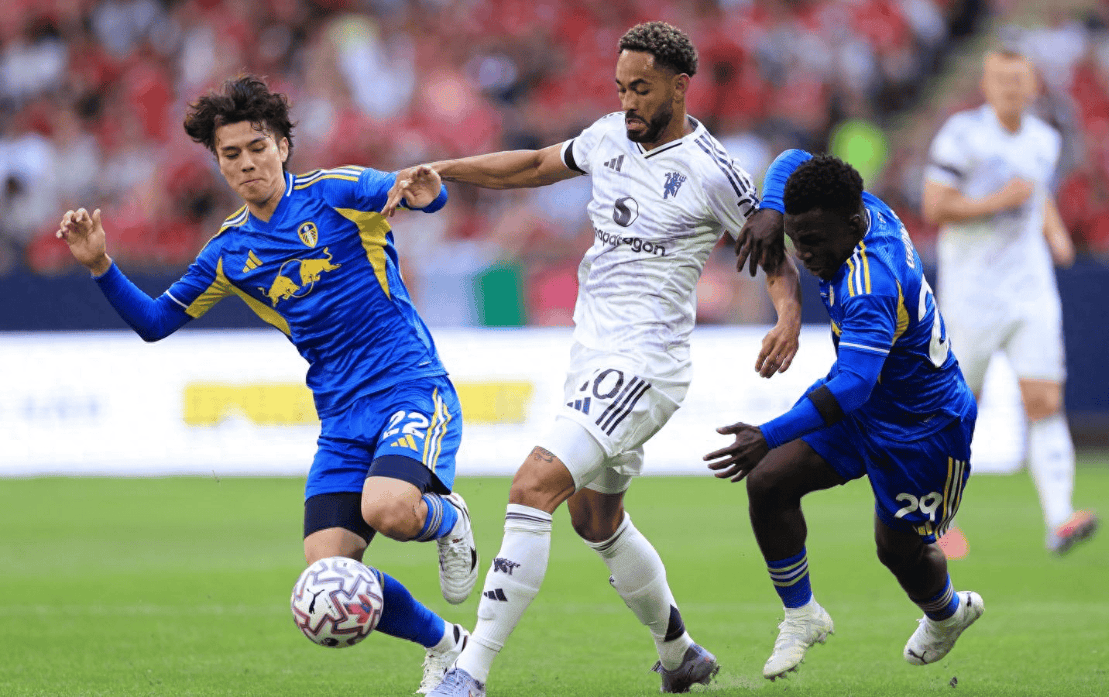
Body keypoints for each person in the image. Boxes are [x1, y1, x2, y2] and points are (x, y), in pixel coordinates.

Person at [412, 21, 802, 697]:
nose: (627, 102)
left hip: (645, 364)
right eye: (621, 87)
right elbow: (535, 165)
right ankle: (679, 653)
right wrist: (444, 170)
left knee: (532, 486)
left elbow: (771, 254)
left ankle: (468, 674)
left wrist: (788, 316)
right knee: (595, 519)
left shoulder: (711, 170)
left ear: (679, 87)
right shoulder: (606, 136)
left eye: (641, 89)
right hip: (591, 355)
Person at [56, 75, 478, 694]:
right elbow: (154, 323)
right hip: (341, 419)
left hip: (409, 386)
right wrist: (100, 265)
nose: (247, 162)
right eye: (231, 154)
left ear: (282, 146)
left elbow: (414, 192)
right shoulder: (228, 253)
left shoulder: (335, 192)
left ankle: (448, 517)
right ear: (218, 163)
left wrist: (427, 192)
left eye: (258, 147)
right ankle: (447, 645)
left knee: (387, 509)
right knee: (326, 575)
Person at [707, 151, 982, 680]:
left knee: (897, 551)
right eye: (797, 238)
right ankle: (801, 615)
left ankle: (948, 613)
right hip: (869, 404)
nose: (804, 254)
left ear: (854, 226)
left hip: (922, 428)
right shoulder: (856, 207)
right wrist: (771, 210)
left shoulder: (869, 284)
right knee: (769, 482)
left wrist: (767, 433)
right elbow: (793, 158)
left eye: (814, 242)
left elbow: (853, 387)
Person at [922, 49, 1097, 557]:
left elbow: (1036, 194)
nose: (1011, 88)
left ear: (1033, 86)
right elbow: (935, 205)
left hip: (1029, 289)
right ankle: (933, 520)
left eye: (1019, 80)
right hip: (973, 293)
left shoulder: (1044, 139)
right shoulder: (962, 135)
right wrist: (999, 201)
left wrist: (1055, 232)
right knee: (956, 408)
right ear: (986, 84)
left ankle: (1060, 518)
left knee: (1044, 400)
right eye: (1001, 79)